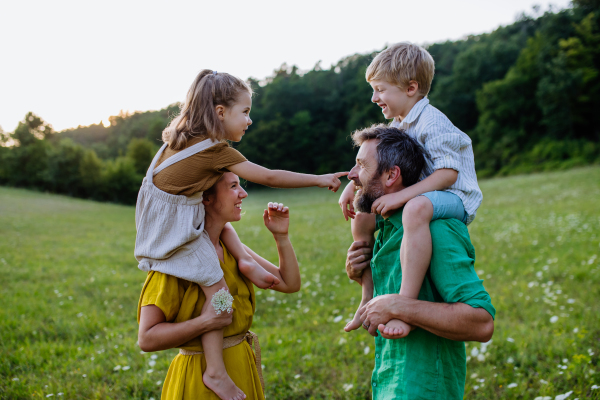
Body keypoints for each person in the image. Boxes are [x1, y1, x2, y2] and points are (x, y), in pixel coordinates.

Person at [134, 70, 346, 400]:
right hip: (172, 236)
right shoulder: (214, 151)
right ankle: (215, 372)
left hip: (160, 228)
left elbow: (287, 284)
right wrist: (319, 178)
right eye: (245, 112)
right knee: (216, 287)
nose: (249, 120)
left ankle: (245, 263)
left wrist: (258, 252)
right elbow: (270, 176)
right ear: (220, 112)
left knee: (222, 266)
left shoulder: (175, 146)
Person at [340, 42, 483, 338]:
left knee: (416, 208)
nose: (374, 97)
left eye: (380, 89)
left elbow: (447, 175)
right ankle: (367, 292)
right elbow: (372, 161)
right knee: (364, 210)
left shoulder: (433, 122)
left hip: (455, 198)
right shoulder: (399, 123)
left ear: (410, 88)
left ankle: (405, 302)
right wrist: (352, 186)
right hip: (424, 195)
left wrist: (403, 195)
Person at [344, 124, 495, 399]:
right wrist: (363, 276)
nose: (351, 176)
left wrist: (400, 306)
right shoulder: (386, 228)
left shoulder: (437, 229)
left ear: (392, 175)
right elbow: (386, 315)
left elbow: (481, 323)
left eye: (361, 166)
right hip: (390, 382)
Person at [138, 172, 300, 400]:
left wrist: (281, 237)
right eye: (233, 186)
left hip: (242, 364)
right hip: (200, 380)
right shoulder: (174, 262)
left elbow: (290, 284)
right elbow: (147, 338)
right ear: (206, 198)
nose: (243, 193)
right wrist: (205, 322)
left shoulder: (232, 248)